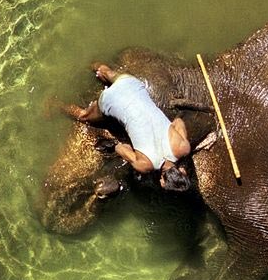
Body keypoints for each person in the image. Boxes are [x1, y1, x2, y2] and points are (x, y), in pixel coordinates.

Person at [70, 63, 191, 191]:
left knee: (106, 72)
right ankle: (55, 105)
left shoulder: (183, 147)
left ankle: (93, 64)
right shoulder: (144, 165)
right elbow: (120, 148)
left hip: (132, 84)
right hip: (111, 100)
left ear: (182, 172)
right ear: (162, 182)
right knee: (84, 116)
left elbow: (178, 122)